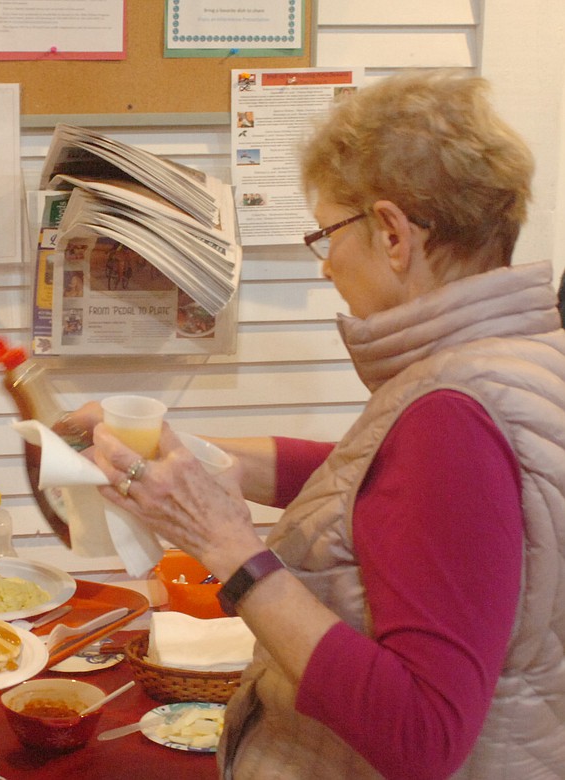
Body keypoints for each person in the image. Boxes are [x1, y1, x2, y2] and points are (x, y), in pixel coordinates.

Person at [77, 71, 565, 778]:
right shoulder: (516, 362)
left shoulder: (456, 416)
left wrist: (228, 549)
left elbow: (421, 737)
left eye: (328, 232)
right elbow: (390, 490)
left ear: (393, 233)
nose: (328, 264)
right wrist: (206, 462)